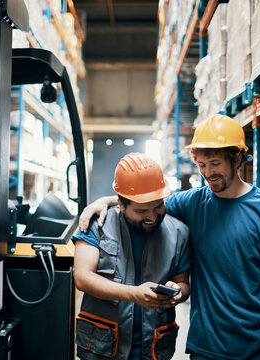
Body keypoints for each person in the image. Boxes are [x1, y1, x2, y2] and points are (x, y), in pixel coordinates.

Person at [79, 114, 260, 360]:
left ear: (237, 157)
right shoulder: (194, 202)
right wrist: (106, 200)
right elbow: (146, 201)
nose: (208, 173)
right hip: (206, 346)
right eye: (201, 164)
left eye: (215, 163)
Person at [73, 152, 191, 360]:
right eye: (142, 211)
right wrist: (133, 294)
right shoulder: (96, 224)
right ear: (121, 204)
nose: (152, 217)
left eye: (158, 206)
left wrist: (178, 292)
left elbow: (183, 283)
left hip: (153, 349)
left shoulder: (179, 232)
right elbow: (82, 277)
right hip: (102, 349)